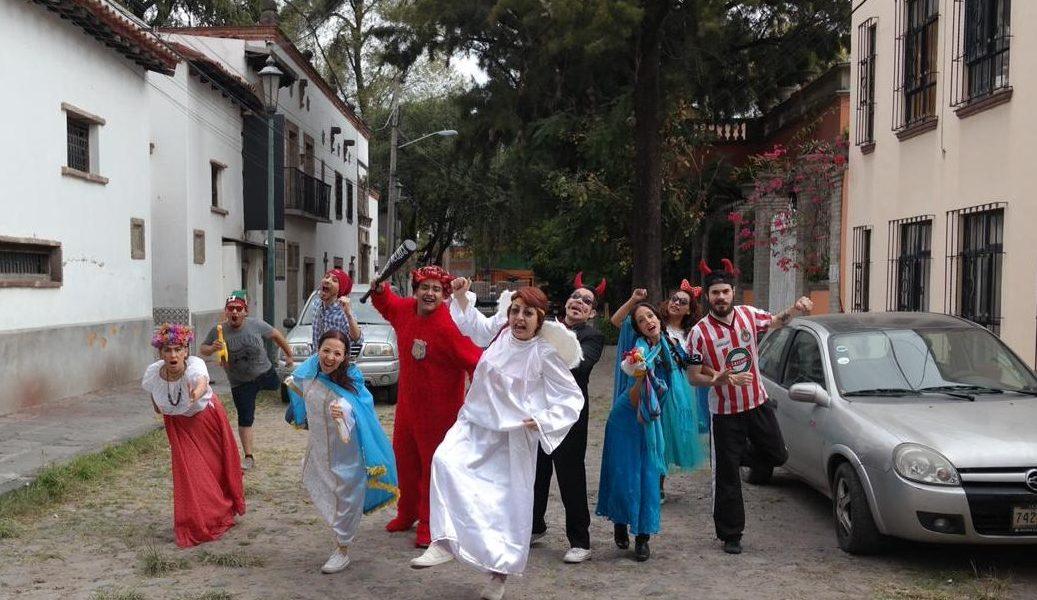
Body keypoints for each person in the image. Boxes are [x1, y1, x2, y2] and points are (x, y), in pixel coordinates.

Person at [410, 285, 584, 600]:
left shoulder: (542, 353)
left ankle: (499, 575)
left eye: (527, 313)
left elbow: (572, 398)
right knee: (445, 462)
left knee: (505, 507)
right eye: (515, 310)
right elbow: (473, 326)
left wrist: (543, 420)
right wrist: (462, 297)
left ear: (539, 319)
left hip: (513, 437)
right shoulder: (500, 334)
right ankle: (445, 541)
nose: (519, 318)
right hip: (474, 425)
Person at [687, 260, 812, 555]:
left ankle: (733, 455)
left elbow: (777, 321)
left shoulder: (748, 315)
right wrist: (719, 378)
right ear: (707, 296)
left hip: (757, 403)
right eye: (715, 293)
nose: (720, 297)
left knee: (778, 456)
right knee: (728, 477)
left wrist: (797, 307)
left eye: (725, 292)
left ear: (733, 292)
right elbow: (693, 378)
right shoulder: (699, 333)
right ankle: (731, 534)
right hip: (725, 413)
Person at [370, 265, 483, 547]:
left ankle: (430, 524)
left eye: (436, 289)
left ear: (444, 295)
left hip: (439, 413)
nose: (429, 293)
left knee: (432, 468)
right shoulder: (406, 311)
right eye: (425, 287)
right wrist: (379, 288)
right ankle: (406, 512)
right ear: (416, 290)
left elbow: (477, 362)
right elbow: (387, 304)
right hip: (407, 408)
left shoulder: (448, 326)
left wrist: (477, 399)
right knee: (404, 461)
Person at [597, 290, 707, 562]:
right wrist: (639, 374)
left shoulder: (671, 344)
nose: (647, 320)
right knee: (624, 472)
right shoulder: (638, 350)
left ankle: (643, 536)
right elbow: (635, 392)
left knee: (649, 475)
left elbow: (692, 367)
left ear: (657, 318)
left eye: (650, 315)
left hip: (652, 417)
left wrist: (720, 376)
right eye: (641, 319)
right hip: (627, 417)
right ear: (637, 328)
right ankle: (620, 523)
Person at [284, 330, 399, 574]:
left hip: (347, 454)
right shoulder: (310, 369)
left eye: (337, 353)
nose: (330, 357)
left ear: (345, 356)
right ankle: (340, 537)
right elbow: (302, 388)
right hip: (320, 449)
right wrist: (294, 387)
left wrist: (344, 410)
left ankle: (342, 549)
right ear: (318, 349)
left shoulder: (351, 377)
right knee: (323, 487)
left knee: (346, 497)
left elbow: (360, 407)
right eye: (326, 350)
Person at [141, 323, 245, 548]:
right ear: (160, 353)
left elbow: (201, 382)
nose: (173, 354)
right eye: (167, 350)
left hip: (205, 419)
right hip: (178, 426)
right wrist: (166, 407)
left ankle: (221, 509)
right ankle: (196, 520)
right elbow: (157, 405)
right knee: (192, 474)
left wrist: (195, 393)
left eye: (178, 349)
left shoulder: (195, 365)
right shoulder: (153, 374)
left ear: (186, 351)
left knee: (215, 469)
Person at [200, 295, 294, 471]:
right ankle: (249, 456)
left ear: (245, 312)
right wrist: (213, 348)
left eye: (238, 308)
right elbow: (203, 349)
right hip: (240, 382)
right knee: (245, 418)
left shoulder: (256, 324)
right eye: (231, 308)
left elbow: (276, 335)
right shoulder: (218, 330)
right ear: (226, 312)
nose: (234, 312)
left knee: (279, 387)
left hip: (264, 373)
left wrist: (288, 354)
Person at [653, 279, 710, 502]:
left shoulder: (691, 335)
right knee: (653, 434)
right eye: (674, 299)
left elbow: (697, 362)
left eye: (682, 302)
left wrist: (717, 375)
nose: (676, 303)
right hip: (655, 381)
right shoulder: (654, 323)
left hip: (680, 388)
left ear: (689, 309)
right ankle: (651, 483)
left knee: (668, 435)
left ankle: (658, 485)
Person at [312, 269, 362, 349]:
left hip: (335, 360)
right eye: (326, 277)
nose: (327, 281)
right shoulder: (316, 305)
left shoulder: (343, 312)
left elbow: (358, 339)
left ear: (340, 290)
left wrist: (348, 314)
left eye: (334, 280)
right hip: (316, 358)